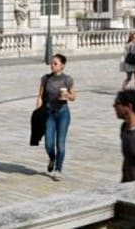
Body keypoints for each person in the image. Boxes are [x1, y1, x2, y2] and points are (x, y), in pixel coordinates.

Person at [36, 53, 75, 181]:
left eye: (55, 63)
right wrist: (38, 109)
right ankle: (52, 158)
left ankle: (58, 169)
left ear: (62, 65)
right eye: (52, 63)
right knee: (48, 143)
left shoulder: (67, 79)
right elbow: (40, 96)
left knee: (60, 144)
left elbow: (73, 97)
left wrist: (67, 95)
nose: (52, 65)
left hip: (63, 114)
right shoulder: (45, 78)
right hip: (49, 114)